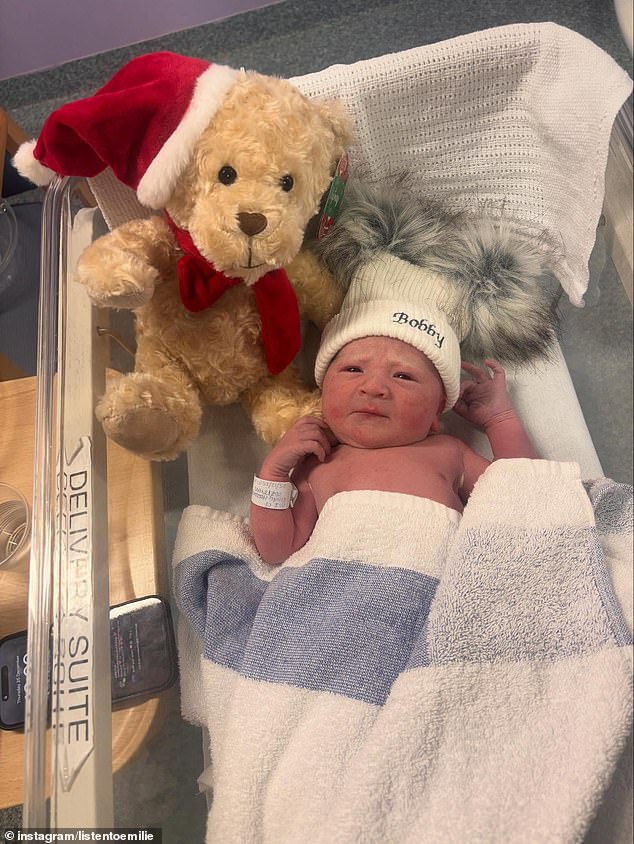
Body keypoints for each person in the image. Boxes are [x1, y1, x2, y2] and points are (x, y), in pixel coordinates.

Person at [250, 253, 537, 564]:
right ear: (323, 391)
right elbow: (277, 551)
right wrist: (273, 473)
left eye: (403, 376)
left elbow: (520, 499)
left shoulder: (448, 453)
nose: (373, 387)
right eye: (353, 370)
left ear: (437, 410)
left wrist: (500, 420)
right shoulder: (317, 464)